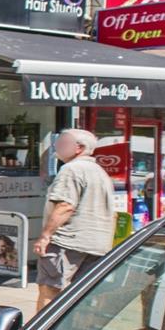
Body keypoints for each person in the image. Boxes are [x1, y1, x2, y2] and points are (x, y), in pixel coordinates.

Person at [34, 129, 116, 312]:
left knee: (50, 290)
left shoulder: (71, 169)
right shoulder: (99, 171)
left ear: (79, 148)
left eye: (62, 142)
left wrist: (45, 236)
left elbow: (65, 206)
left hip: (67, 242)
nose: (56, 146)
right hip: (96, 244)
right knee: (82, 296)